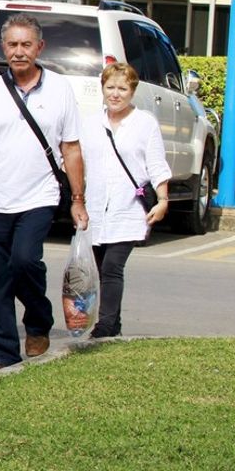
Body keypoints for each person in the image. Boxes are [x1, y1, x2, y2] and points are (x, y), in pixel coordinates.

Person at [0, 13, 88, 371]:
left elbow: (71, 148)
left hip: (38, 197)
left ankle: (38, 321)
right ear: (3, 48)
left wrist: (78, 200)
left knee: (24, 261)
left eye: (26, 45)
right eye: (12, 45)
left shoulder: (60, 89)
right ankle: (3, 356)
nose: (19, 52)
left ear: (40, 47)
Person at [81, 63, 171, 338]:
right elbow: (76, 162)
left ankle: (105, 326)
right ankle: (114, 324)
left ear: (132, 91)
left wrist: (163, 199)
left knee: (112, 267)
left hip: (129, 209)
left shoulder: (144, 123)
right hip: (96, 207)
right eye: (110, 88)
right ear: (102, 89)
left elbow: (156, 164)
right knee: (101, 268)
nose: (116, 94)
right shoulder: (89, 123)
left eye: (122, 88)